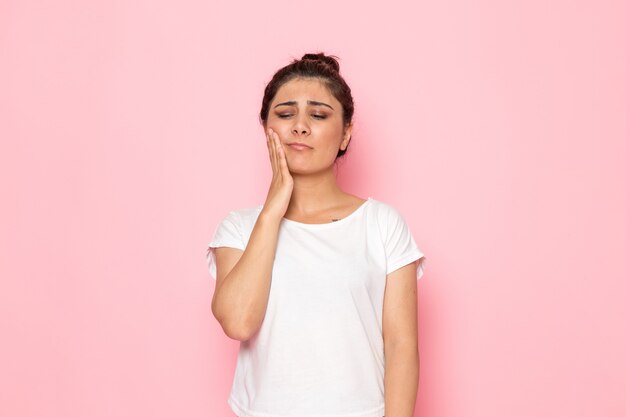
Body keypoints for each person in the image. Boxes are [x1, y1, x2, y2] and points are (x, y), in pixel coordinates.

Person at [206, 52, 426, 417]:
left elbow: (401, 346)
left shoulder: (382, 224)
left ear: (346, 133)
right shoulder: (240, 228)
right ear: (266, 129)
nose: (300, 126)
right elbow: (238, 321)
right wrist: (273, 209)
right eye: (285, 114)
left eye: (319, 115)